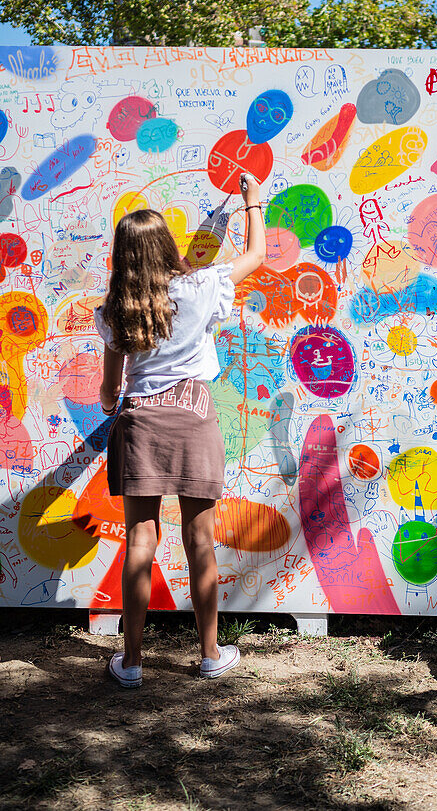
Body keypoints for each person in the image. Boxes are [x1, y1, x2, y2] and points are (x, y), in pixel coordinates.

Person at [95, 173, 266, 688]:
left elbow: (110, 391)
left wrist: (116, 405)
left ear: (122, 256)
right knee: (201, 542)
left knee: (141, 542)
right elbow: (256, 256)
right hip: (194, 421)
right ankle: (211, 655)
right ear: (167, 245)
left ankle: (131, 663)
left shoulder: (114, 311)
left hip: (139, 426)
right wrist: (252, 204)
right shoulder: (201, 286)